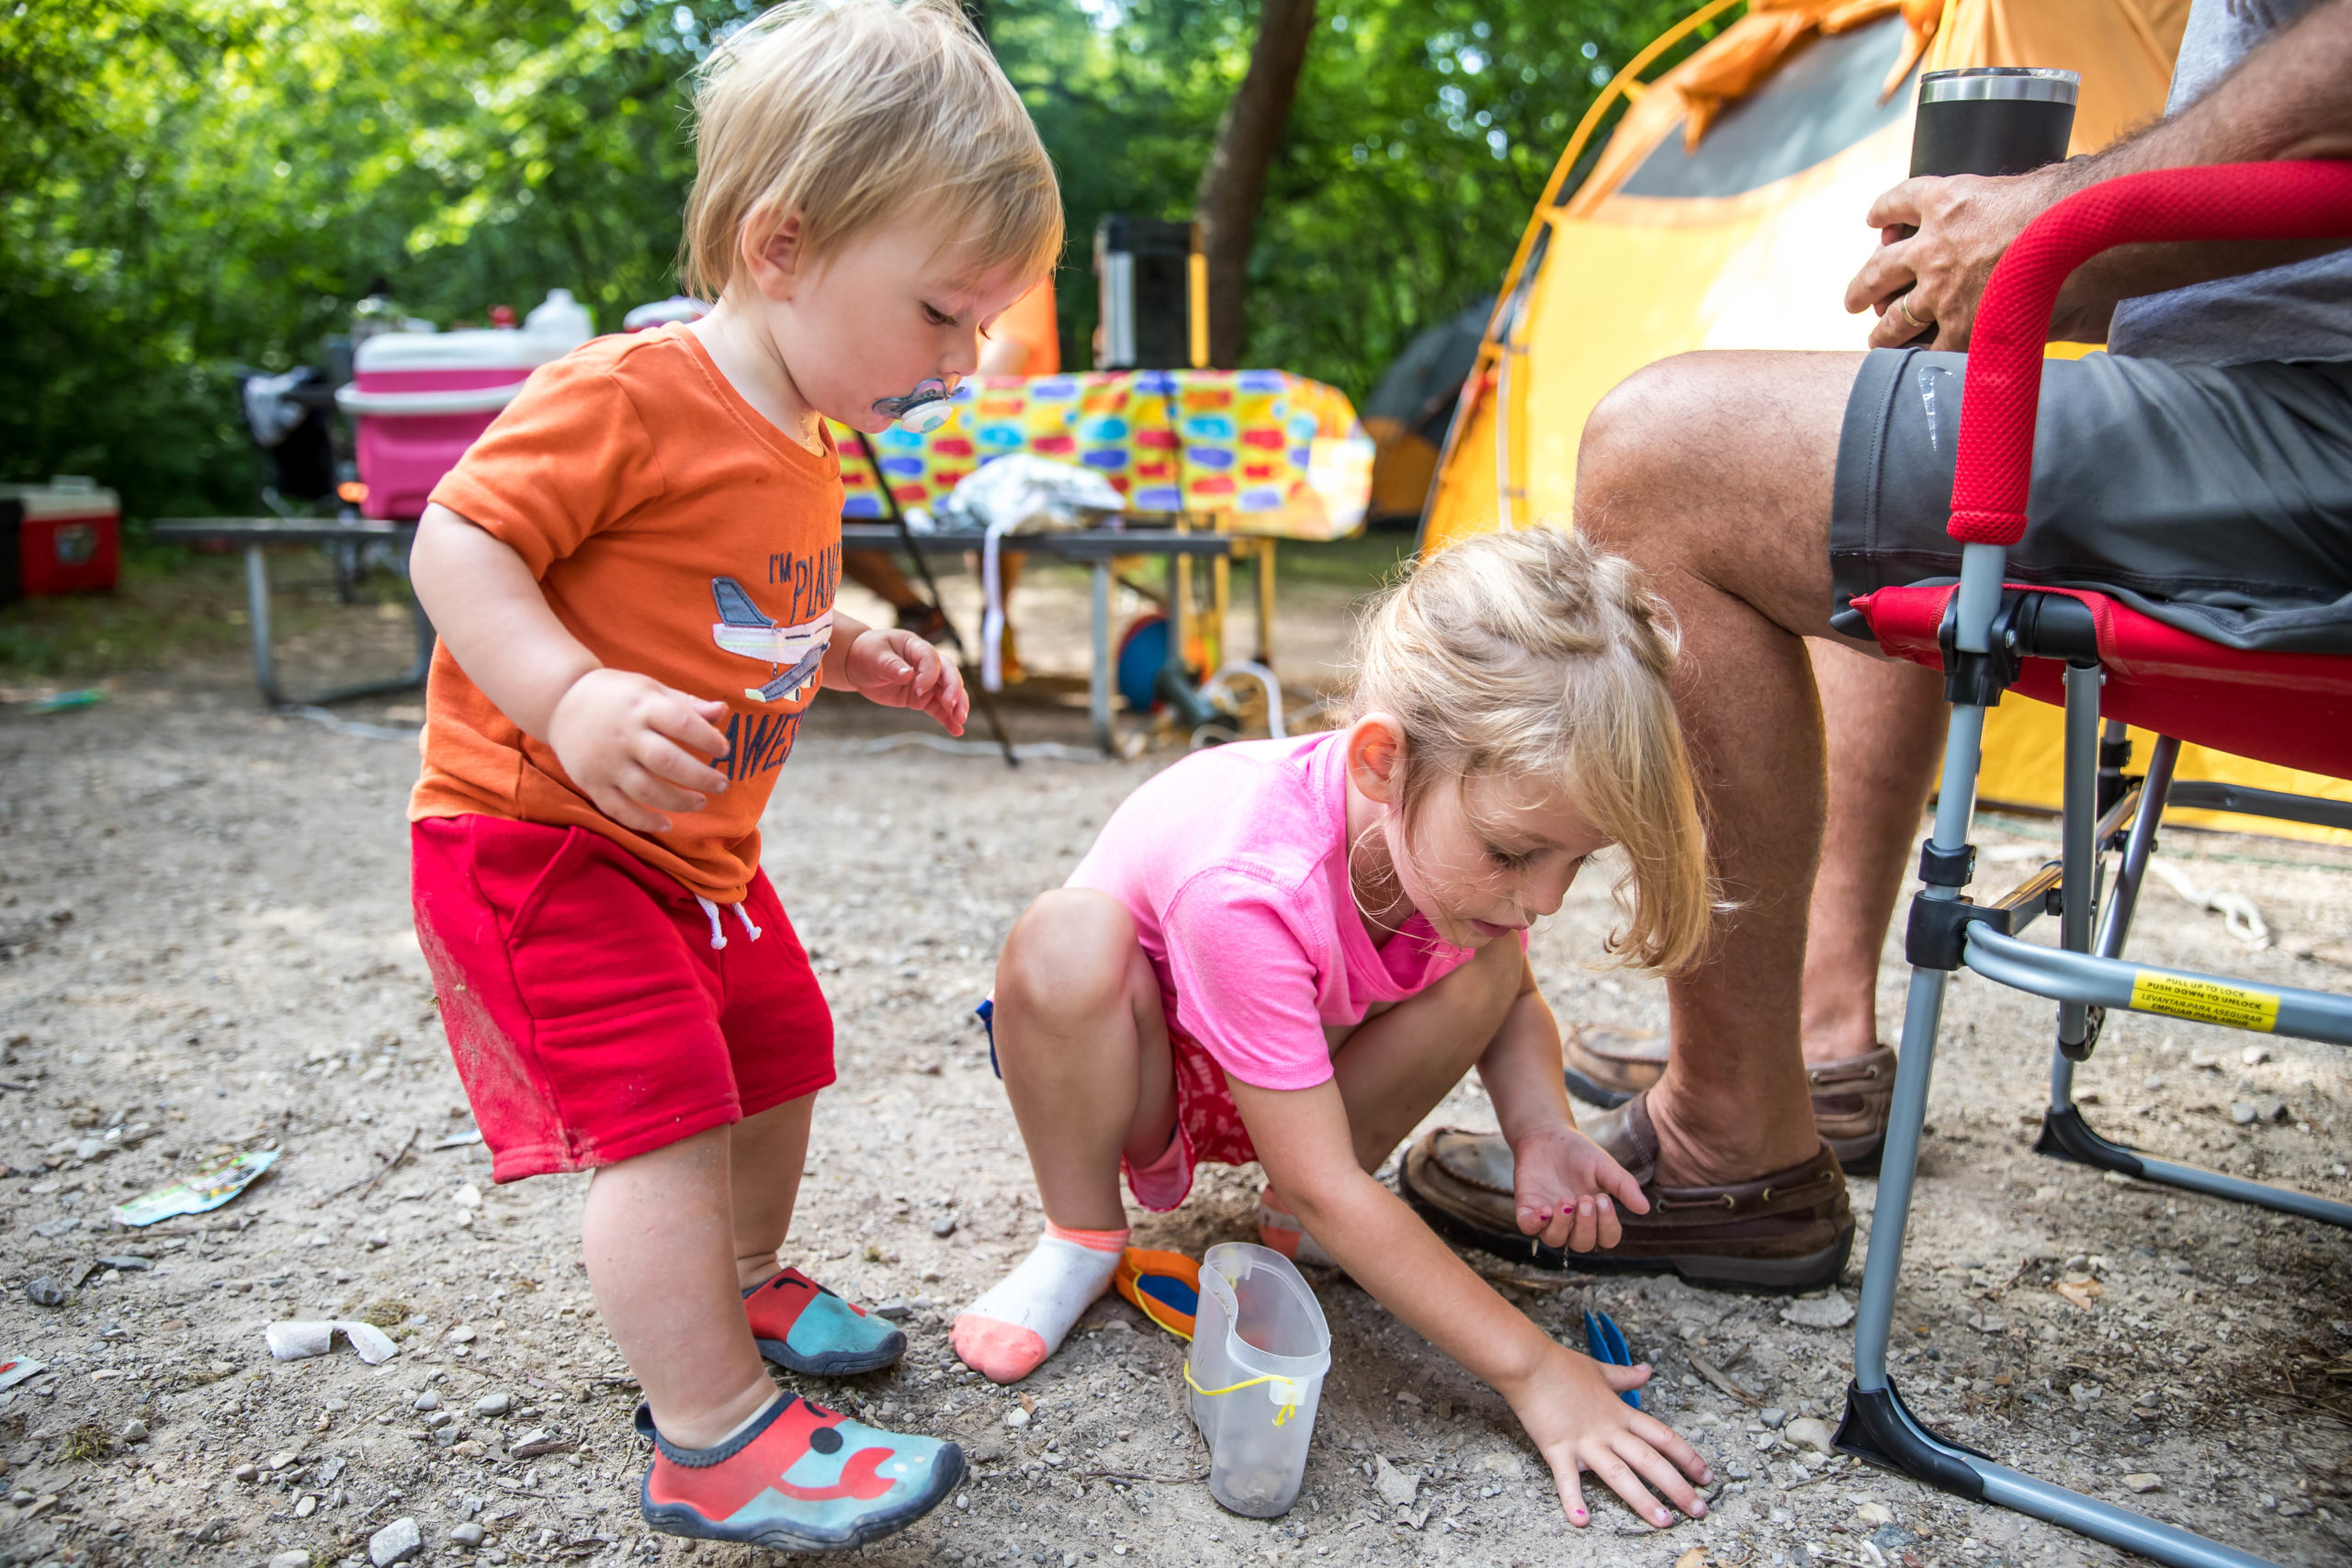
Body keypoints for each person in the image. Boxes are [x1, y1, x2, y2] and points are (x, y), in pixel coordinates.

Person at [1401, 0, 2352, 1285]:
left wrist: (2054, 226)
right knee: (1852, 470)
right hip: (2261, 397)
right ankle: (1819, 1029)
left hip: (2308, 420)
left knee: (1666, 458)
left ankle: (1724, 1135)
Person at [401, 0, 1058, 1550]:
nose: (962, 361)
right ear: (782, 245)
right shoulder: (628, 392)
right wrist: (563, 696)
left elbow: (721, 602)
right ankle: (711, 1435)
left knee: (781, 1046)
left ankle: (746, 1277)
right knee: (662, 1116)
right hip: (535, 833)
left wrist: (848, 647)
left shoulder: (803, 431)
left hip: (696, 852)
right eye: (943, 316)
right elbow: (458, 536)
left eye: (975, 330)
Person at [957, 528, 1730, 1530]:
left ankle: (1286, 1217)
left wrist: (1542, 1129)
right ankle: (1080, 1236)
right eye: (1513, 854)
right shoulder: (1248, 880)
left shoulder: (1448, 866)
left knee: (1488, 961)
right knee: (1063, 941)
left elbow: (1514, 1004)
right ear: (1383, 761)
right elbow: (1335, 1180)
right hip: (1144, 1065)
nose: (1541, 898)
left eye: (1574, 863)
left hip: (1292, 1084)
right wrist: (1533, 1370)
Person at [840, 274, 1060, 664]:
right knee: (839, 508)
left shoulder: (1019, 276)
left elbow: (1003, 364)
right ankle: (922, 612)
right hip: (928, 443)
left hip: (1000, 441)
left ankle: (991, 621)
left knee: (997, 508)